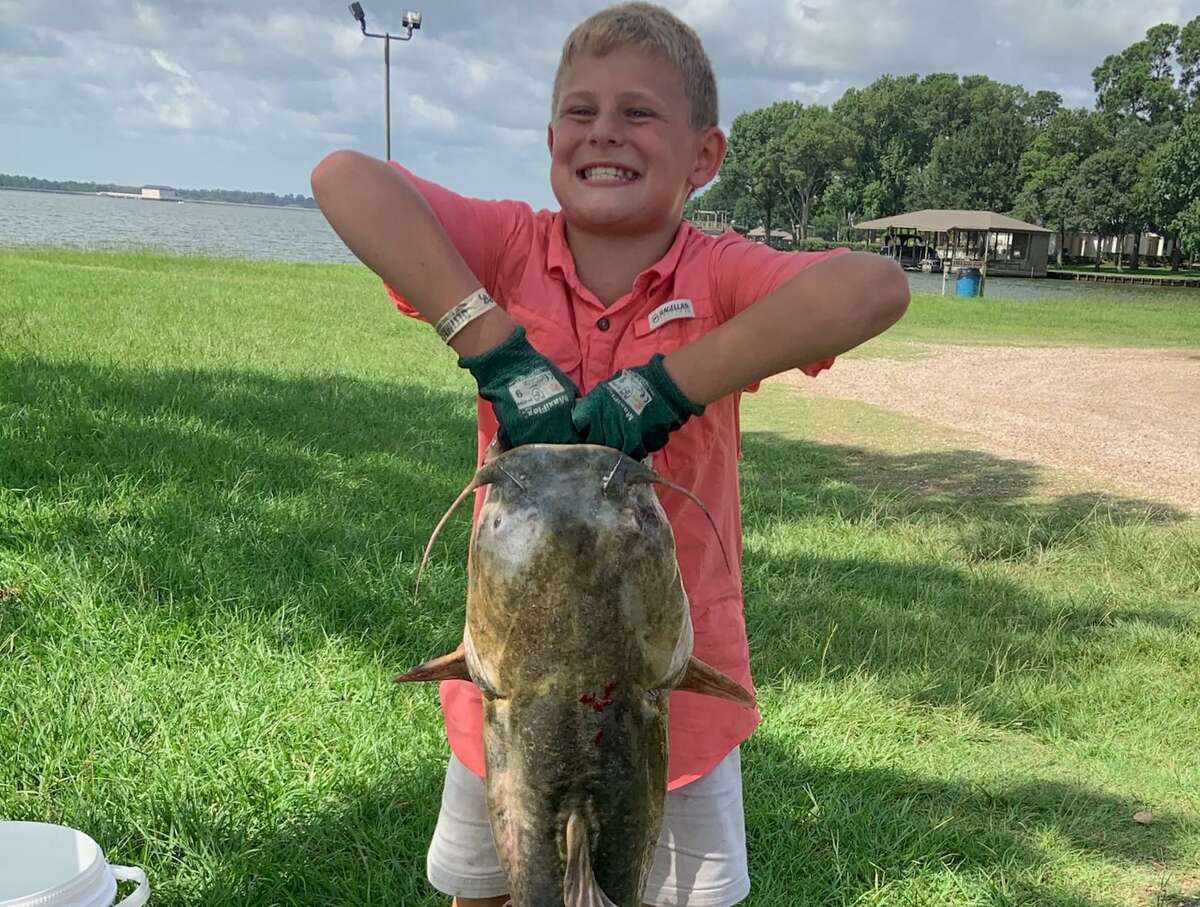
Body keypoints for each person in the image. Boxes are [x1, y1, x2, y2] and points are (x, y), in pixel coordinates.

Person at [311, 4, 908, 904]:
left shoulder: (719, 275)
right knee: (489, 887)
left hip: (668, 703)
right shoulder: (509, 248)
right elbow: (342, 177)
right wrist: (489, 340)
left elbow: (876, 286)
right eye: (581, 112)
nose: (605, 133)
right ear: (550, 137)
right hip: (507, 695)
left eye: (639, 113)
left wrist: (670, 385)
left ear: (704, 156)